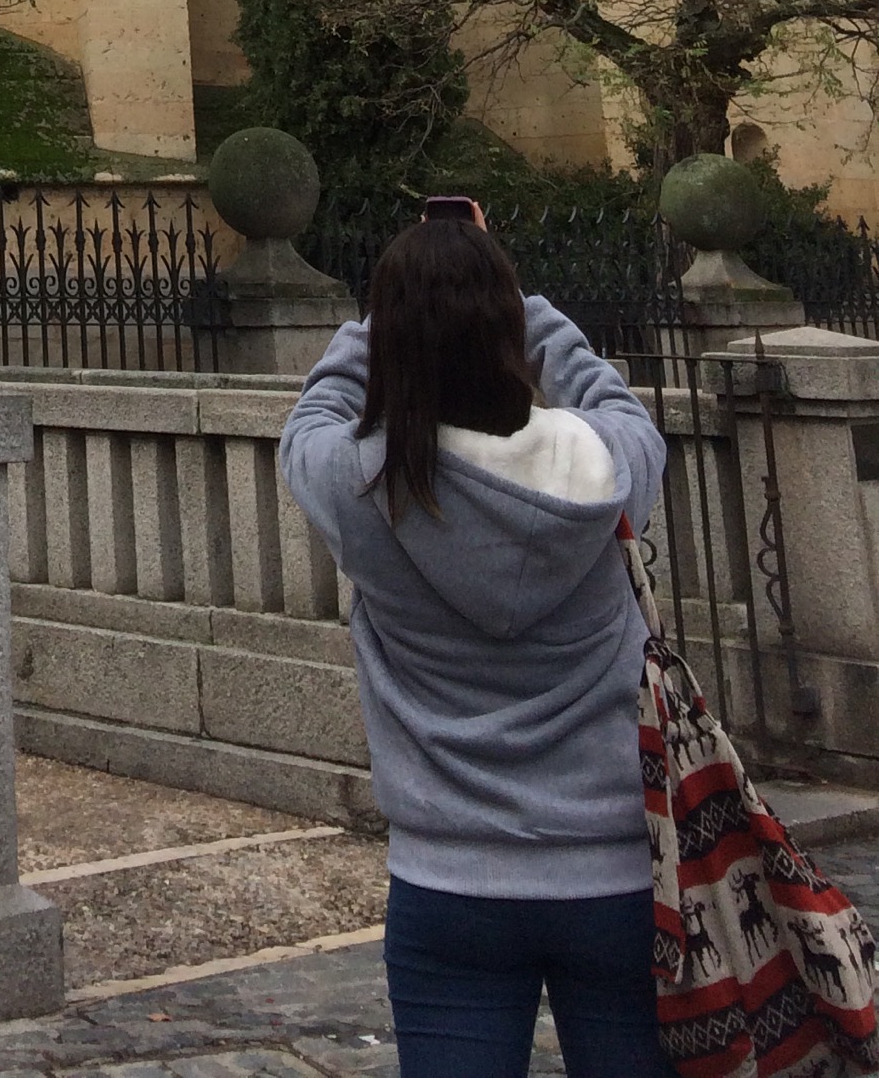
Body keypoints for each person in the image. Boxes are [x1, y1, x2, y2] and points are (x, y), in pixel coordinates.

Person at [279, 209, 670, 1078]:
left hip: (449, 879)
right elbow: (615, 400)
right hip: (617, 874)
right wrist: (510, 295)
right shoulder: (607, 467)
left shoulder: (359, 484)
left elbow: (312, 414)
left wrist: (396, 314)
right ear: (510, 331)